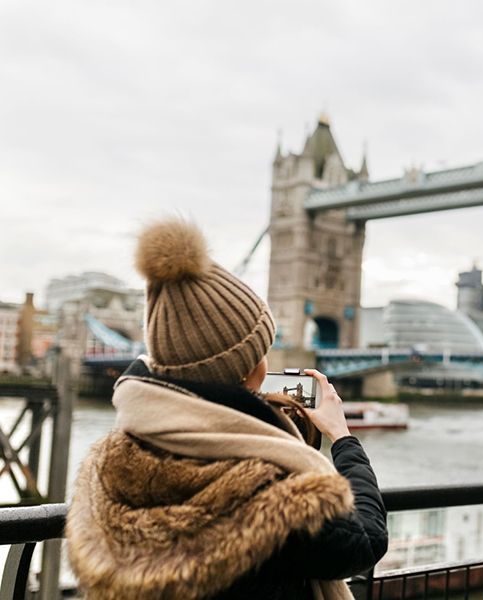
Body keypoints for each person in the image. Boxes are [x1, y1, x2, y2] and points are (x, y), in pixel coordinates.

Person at [66, 219, 387, 600]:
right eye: (261, 349)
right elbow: (364, 541)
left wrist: (256, 418)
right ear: (252, 367)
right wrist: (342, 437)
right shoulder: (276, 494)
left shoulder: (109, 463)